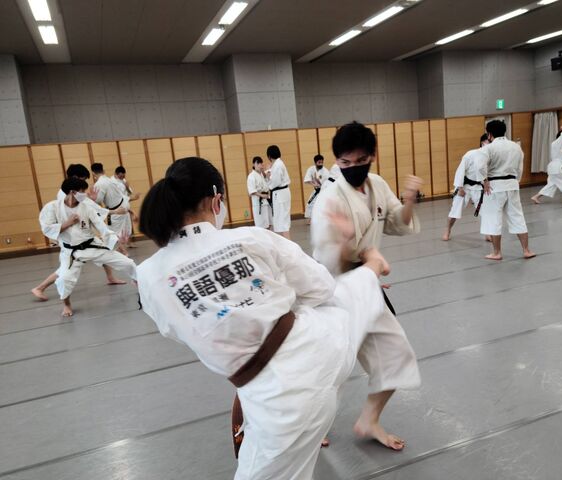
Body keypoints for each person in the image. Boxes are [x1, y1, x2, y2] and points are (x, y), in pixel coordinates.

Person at [136, 156, 397, 480]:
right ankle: (371, 266)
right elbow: (321, 287)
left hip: (298, 378)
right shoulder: (251, 237)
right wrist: (272, 299)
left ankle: (370, 268)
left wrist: (242, 316)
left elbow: (177, 330)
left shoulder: (148, 274)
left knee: (343, 299)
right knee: (342, 297)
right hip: (308, 353)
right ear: (216, 200)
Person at [311, 122, 422, 450]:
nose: (353, 168)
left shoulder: (377, 184)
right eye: (344, 162)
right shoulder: (329, 199)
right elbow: (327, 262)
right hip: (335, 290)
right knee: (333, 367)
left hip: (367, 283)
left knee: (396, 355)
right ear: (337, 161)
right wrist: (347, 243)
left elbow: (397, 223)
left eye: (360, 160)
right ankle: (311, 426)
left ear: (372, 156)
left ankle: (369, 420)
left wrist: (409, 201)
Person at [39, 177, 136, 317]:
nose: (84, 194)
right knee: (64, 279)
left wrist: (117, 241)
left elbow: (101, 227)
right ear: (72, 192)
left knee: (128, 263)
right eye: (82, 191)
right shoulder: (52, 207)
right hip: (71, 252)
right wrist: (67, 223)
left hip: (92, 245)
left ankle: (139, 281)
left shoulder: (86, 207)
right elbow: (47, 228)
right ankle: (66, 304)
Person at [31, 164, 127, 301]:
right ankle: (40, 288)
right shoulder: (66, 194)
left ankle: (110, 277)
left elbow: (89, 207)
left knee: (103, 251)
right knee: (66, 269)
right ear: (76, 178)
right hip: (72, 238)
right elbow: (81, 210)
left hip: (82, 234)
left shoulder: (74, 191)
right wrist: (114, 211)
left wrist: (93, 200)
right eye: (83, 179)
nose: (84, 185)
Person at [478, 120, 535, 261]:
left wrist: (484, 181)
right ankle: (526, 250)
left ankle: (496, 252)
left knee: (493, 218)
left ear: (489, 134)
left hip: (494, 186)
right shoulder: (516, 147)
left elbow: (480, 167)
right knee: (517, 216)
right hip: (512, 184)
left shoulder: (488, 148)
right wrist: (516, 181)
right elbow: (520, 168)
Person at [442, 134, 490, 241]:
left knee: (485, 211)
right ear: (483, 143)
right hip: (465, 186)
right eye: (489, 142)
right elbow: (460, 171)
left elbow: (487, 173)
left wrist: (487, 184)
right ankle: (447, 230)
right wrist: (459, 188)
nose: (490, 144)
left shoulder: (490, 157)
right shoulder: (471, 154)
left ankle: (487, 233)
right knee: (455, 211)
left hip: (478, 187)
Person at [531, 126, 562, 204]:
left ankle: (536, 197)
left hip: (554, 169)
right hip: (558, 168)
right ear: (560, 137)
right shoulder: (555, 143)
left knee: (552, 185)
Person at [91, 163, 132, 253]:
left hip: (117, 210)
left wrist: (91, 199)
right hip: (122, 205)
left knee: (111, 234)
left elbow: (98, 200)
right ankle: (122, 251)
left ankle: (122, 252)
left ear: (93, 173)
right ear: (103, 170)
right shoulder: (109, 180)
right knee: (115, 233)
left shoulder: (99, 184)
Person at [265, 145, 291, 239]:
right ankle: (286, 243)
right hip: (281, 193)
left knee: (282, 220)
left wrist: (268, 178)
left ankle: (288, 243)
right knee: (282, 220)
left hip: (280, 194)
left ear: (269, 156)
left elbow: (275, 182)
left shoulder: (277, 165)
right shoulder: (277, 164)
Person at [112, 166, 141, 248]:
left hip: (125, 206)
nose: (122, 177)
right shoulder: (112, 182)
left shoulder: (123, 181)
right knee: (118, 229)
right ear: (116, 174)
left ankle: (129, 243)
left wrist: (127, 186)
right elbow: (118, 198)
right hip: (117, 208)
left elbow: (129, 193)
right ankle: (118, 245)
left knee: (128, 227)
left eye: (124, 176)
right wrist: (133, 198)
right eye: (121, 176)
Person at [303, 154, 330, 223]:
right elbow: (307, 180)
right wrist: (313, 183)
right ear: (315, 162)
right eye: (319, 162)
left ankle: (324, 219)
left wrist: (317, 181)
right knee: (310, 203)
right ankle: (311, 219)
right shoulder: (311, 169)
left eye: (322, 162)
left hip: (324, 191)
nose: (321, 164)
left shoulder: (325, 172)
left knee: (323, 205)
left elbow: (326, 184)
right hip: (316, 190)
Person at [246, 156, 271, 228]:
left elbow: (267, 182)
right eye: (258, 164)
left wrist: (266, 171)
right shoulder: (251, 176)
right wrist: (262, 195)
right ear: (254, 164)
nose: (260, 166)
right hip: (258, 202)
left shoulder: (261, 174)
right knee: (260, 225)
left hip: (266, 201)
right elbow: (252, 191)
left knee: (268, 223)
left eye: (261, 164)